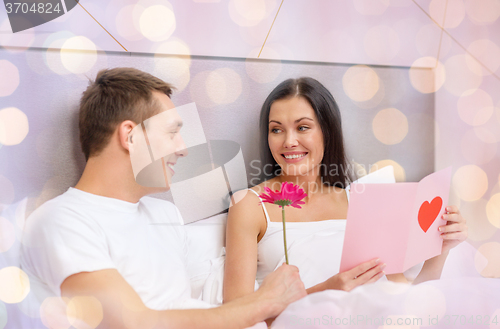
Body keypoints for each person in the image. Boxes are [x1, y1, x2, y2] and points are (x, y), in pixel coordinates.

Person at [20, 68, 306, 329]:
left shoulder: (164, 215)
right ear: (130, 136)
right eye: (172, 133)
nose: (182, 149)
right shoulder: (60, 222)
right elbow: (134, 323)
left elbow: (200, 304)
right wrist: (263, 301)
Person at [223, 77, 468, 303]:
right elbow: (236, 311)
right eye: (276, 129)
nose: (288, 141)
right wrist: (324, 290)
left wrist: (439, 251)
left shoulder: (362, 201)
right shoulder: (249, 205)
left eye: (303, 127)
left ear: (327, 132)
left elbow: (404, 298)